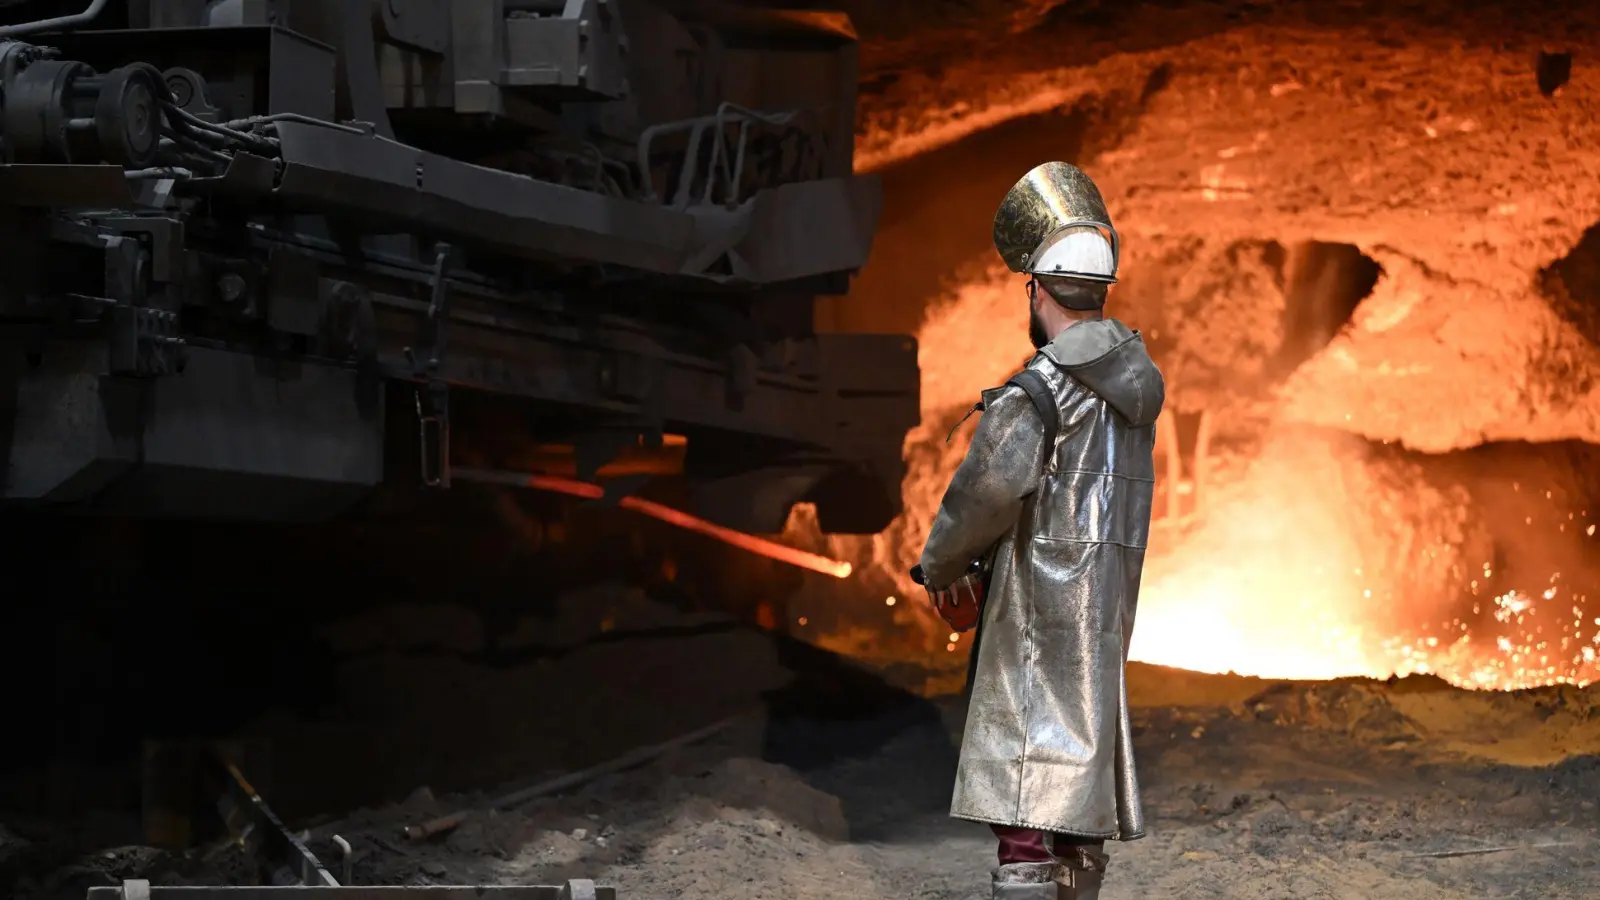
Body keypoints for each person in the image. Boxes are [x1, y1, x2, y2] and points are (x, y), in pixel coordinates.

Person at [917, 161, 1165, 900]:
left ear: (1038, 288)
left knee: (1026, 782)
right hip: (1104, 606)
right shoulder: (1137, 388)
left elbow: (982, 496)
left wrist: (939, 566)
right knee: (1080, 762)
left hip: (1037, 605)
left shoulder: (1039, 393)